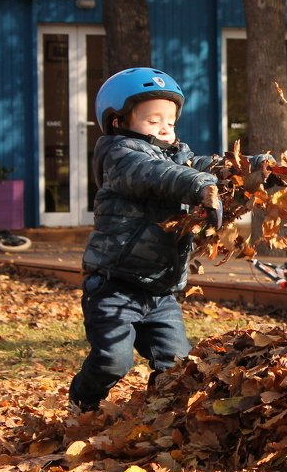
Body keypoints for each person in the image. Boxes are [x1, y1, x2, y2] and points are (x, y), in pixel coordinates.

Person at [68, 67, 249, 412]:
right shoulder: (119, 157)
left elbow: (209, 165)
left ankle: (158, 414)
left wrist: (254, 169)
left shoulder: (178, 156)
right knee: (113, 360)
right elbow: (157, 174)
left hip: (160, 292)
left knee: (177, 365)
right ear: (119, 121)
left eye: (170, 121)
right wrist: (197, 185)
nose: (166, 128)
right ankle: (82, 398)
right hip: (114, 287)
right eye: (153, 121)